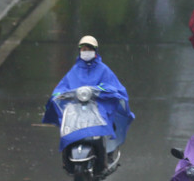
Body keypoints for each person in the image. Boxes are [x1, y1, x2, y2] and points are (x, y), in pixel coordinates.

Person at [44, 35, 134, 169]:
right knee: (67, 129)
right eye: (83, 49)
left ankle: (106, 155)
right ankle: (66, 161)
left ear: (95, 51)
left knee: (105, 122)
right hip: (76, 111)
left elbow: (115, 88)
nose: (86, 52)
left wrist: (97, 91)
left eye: (89, 49)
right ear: (80, 51)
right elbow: (61, 88)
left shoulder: (103, 70)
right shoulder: (74, 71)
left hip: (98, 109)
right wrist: (58, 96)